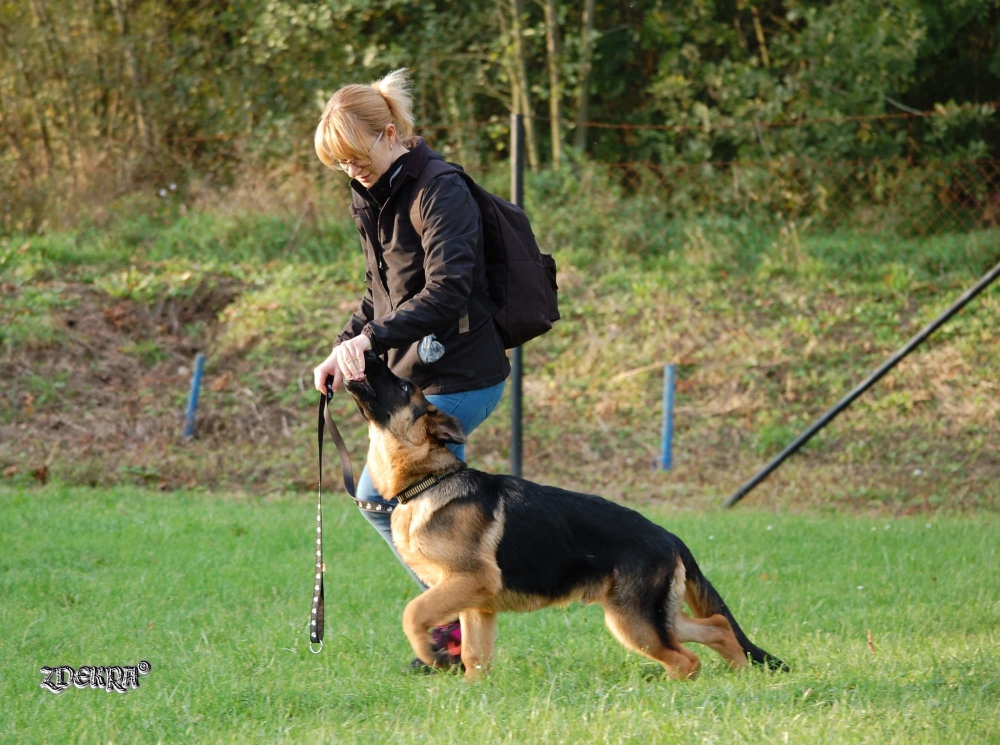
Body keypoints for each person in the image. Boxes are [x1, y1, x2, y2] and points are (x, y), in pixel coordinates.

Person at [311, 68, 509, 669]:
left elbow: (450, 290)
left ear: (389, 132)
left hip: (465, 373)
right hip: (416, 377)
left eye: (356, 158)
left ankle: (450, 627)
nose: (351, 172)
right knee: (384, 503)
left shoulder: (438, 188)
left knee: (386, 497)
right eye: (340, 165)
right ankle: (456, 622)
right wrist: (344, 347)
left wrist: (370, 340)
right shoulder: (371, 193)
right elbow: (381, 294)